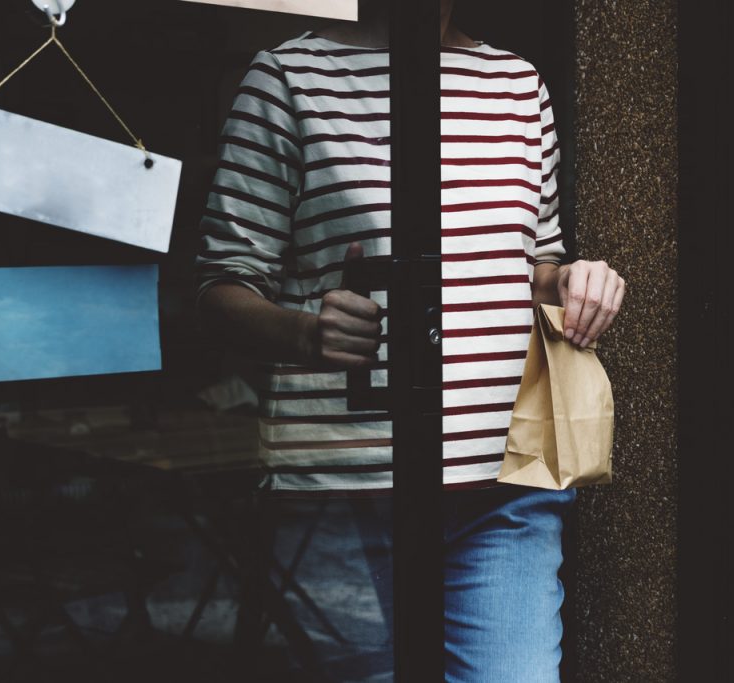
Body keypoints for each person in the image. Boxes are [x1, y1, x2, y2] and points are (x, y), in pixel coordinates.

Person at [195, 1, 624, 680]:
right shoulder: (288, 76)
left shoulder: (515, 82)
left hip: (504, 486)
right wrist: (307, 333)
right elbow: (221, 287)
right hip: (345, 492)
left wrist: (576, 278)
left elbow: (533, 260)